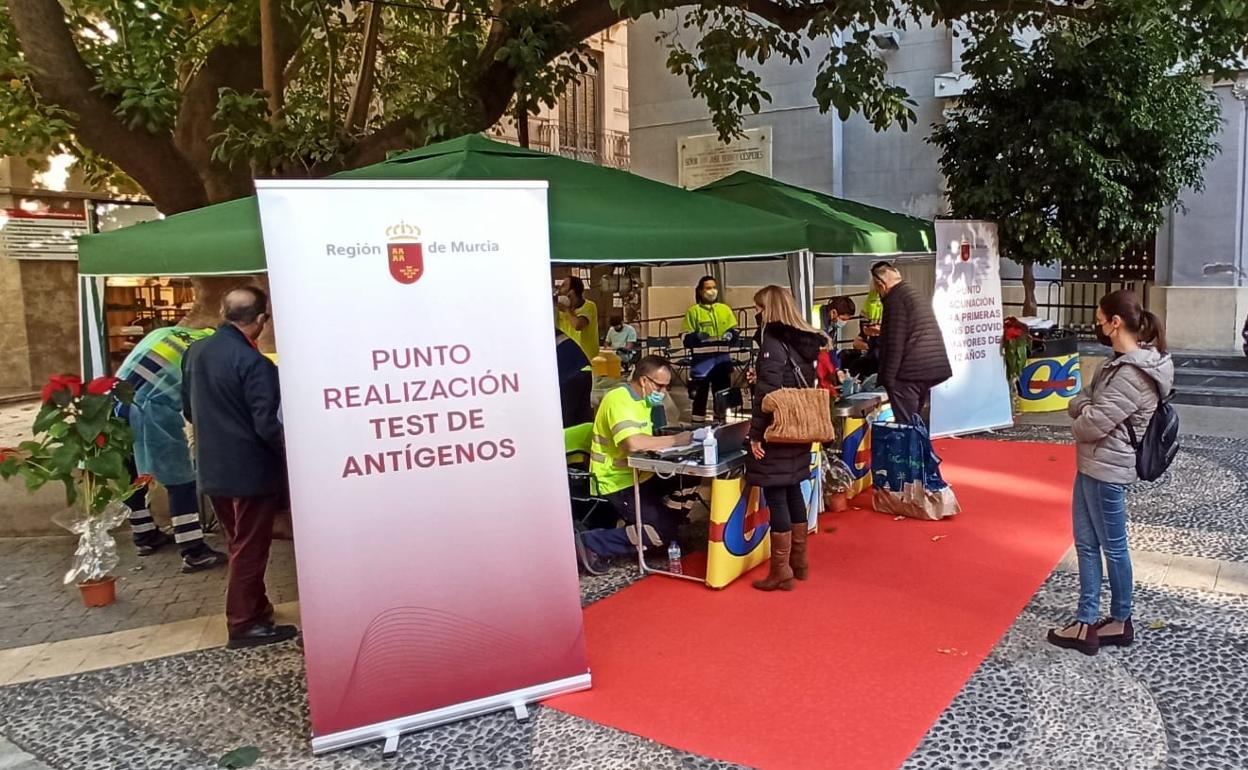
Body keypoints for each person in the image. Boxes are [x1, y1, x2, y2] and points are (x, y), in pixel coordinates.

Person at [1047, 290, 1173, 655]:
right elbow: (1079, 398)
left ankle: (1119, 619)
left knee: (1113, 549)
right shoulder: (1113, 365)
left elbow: (1088, 425)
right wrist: (1086, 406)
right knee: (1087, 544)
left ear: (1115, 323)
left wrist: (1084, 410)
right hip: (1092, 464)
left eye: (1100, 320)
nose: (1097, 325)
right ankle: (1087, 622)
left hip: (1108, 469)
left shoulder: (1133, 373)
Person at [182, 287, 296, 649]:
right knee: (250, 548)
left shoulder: (196, 351)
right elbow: (268, 426)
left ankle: (257, 608)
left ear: (222, 310)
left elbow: (187, 409)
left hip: (213, 468)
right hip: (249, 473)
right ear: (261, 320)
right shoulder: (255, 364)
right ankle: (244, 623)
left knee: (239, 544)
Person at [116, 323, 227, 572]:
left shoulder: (163, 333)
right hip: (152, 411)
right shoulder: (208, 349)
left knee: (132, 474)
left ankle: (144, 535)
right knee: (181, 480)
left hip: (114, 403)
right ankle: (193, 550)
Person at [574, 356, 696, 574]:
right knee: (661, 531)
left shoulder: (642, 400)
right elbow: (634, 442)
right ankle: (589, 542)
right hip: (616, 480)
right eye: (660, 386)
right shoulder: (618, 400)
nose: (664, 392)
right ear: (643, 380)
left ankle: (667, 525)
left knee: (689, 476)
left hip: (640, 474)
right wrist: (676, 441)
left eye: (667, 386)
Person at [747, 285, 826, 592]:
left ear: (770, 309)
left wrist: (755, 434)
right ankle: (800, 563)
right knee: (794, 487)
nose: (757, 313)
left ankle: (780, 571)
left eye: (759, 307)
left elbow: (767, 393)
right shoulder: (804, 341)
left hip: (778, 428)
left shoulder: (772, 340)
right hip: (801, 427)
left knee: (776, 493)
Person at [872, 261, 952, 422]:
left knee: (906, 423)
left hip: (909, 371)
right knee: (915, 421)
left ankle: (911, 447)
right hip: (928, 368)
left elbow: (895, 342)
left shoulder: (895, 299)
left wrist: (888, 380)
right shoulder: (911, 292)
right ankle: (919, 447)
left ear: (881, 284)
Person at [682, 276, 739, 423]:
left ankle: (721, 425)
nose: (712, 291)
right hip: (702, 364)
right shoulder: (694, 312)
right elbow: (684, 338)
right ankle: (697, 426)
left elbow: (735, 333)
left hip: (722, 362)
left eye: (714, 287)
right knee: (699, 397)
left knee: (722, 397)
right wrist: (696, 336)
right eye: (708, 288)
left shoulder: (725, 310)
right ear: (700, 291)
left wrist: (731, 334)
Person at [556, 276, 600, 362]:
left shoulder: (589, 306)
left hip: (585, 361)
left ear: (571, 292)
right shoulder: (559, 310)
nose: (560, 290)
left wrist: (566, 310)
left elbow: (578, 325)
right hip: (567, 359)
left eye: (563, 286)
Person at [556, 328, 593, 427]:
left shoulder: (536, 332)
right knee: (582, 415)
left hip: (570, 373)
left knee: (567, 418)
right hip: (583, 368)